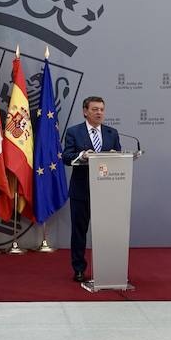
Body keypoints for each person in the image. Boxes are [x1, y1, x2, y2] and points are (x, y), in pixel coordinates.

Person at [60, 96, 121, 282]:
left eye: (102, 109)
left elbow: (119, 157)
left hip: (106, 190)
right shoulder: (74, 132)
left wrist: (115, 156)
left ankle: (108, 267)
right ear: (85, 111)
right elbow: (66, 157)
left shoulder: (112, 133)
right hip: (82, 190)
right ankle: (79, 268)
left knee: (107, 231)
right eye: (95, 109)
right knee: (79, 231)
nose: (99, 113)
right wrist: (82, 155)